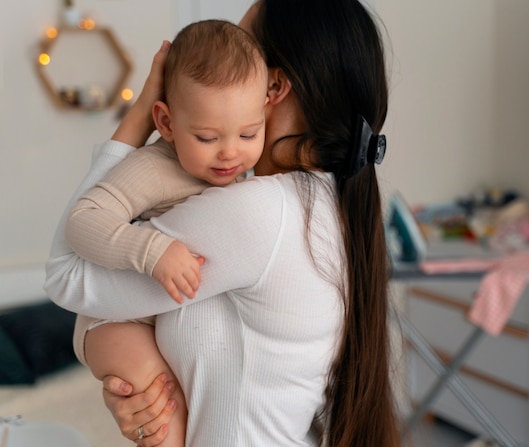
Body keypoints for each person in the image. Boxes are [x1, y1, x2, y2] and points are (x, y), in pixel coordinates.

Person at [44, 0, 401, 446]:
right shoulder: (324, 201)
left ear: (273, 86)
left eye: (244, 48)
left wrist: (139, 117)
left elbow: (66, 275)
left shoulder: (258, 213)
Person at [63, 19, 268, 447]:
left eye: (249, 133)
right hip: (115, 322)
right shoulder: (154, 168)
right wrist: (152, 249)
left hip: (164, 320)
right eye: (207, 136)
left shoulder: (247, 174)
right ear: (167, 123)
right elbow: (83, 220)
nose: (231, 152)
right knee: (165, 416)